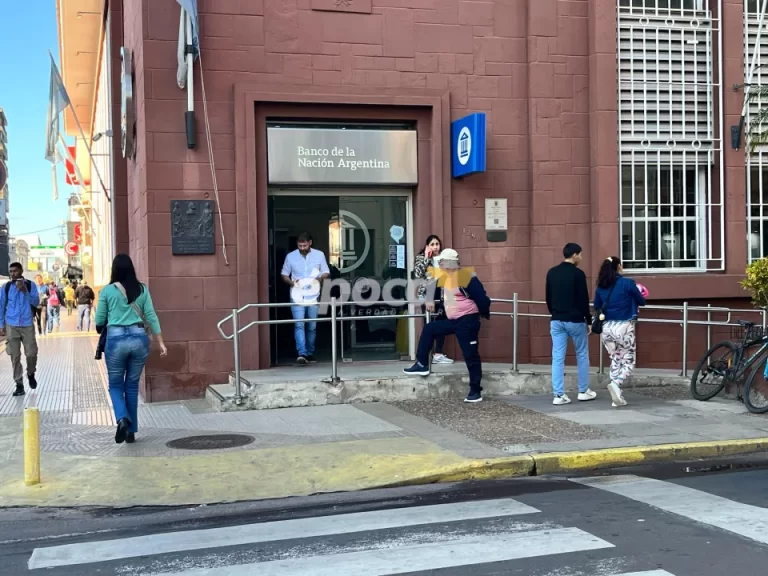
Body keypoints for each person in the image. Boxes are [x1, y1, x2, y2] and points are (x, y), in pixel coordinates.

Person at [95, 254, 167, 444]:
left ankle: (122, 419)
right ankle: (131, 432)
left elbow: (99, 320)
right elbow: (151, 315)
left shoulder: (107, 291)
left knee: (115, 385)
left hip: (116, 340)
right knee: (132, 385)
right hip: (139, 339)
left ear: (114, 270)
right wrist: (160, 342)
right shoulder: (142, 289)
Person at [403, 249, 491, 403]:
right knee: (430, 329)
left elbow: (483, 299)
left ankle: (475, 391)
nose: (440, 264)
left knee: (470, 355)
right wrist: (429, 299)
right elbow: (431, 286)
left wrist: (482, 314)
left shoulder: (466, 277)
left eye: (442, 262)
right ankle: (422, 363)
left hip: (467, 321)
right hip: (453, 321)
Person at [545, 242, 595, 405]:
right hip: (575, 320)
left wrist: (554, 312)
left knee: (557, 357)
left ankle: (558, 395)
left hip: (557, 319)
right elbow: (583, 299)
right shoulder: (578, 274)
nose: (581, 257)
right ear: (574, 255)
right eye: (580, 254)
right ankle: (583, 391)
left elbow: (548, 297)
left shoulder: (552, 272)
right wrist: (588, 320)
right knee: (581, 354)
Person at [593, 256, 647, 407]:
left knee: (615, 359)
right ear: (619, 267)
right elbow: (641, 301)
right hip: (624, 327)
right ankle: (616, 383)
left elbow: (596, 305)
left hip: (606, 328)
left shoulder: (601, 286)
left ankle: (616, 398)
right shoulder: (628, 283)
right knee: (628, 360)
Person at [280, 232, 330, 365]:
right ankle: (302, 353)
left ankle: (310, 353)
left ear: (310, 243)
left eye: (304, 245)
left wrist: (319, 278)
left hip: (313, 295)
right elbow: (284, 275)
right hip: (297, 295)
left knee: (312, 326)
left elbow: (326, 271)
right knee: (299, 324)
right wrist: (292, 283)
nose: (302, 248)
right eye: (300, 246)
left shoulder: (319, 255)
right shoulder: (291, 256)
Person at [0, 262, 40, 397]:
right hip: (11, 324)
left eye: (15, 271)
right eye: (11, 271)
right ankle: (19, 384)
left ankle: (31, 373)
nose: (13, 274)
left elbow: (36, 302)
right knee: (15, 356)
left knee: (31, 353)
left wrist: (24, 291)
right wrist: (1, 325)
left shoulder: (30, 285)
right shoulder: (6, 287)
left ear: (21, 271)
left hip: (27, 324)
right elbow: (1, 306)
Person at [413, 234, 453, 364]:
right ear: (427, 246)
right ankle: (424, 356)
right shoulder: (421, 258)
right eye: (432, 244)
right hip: (428, 294)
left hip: (442, 293)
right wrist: (426, 257)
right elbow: (418, 274)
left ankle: (438, 354)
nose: (435, 247)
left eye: (437, 244)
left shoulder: (444, 257)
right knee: (428, 324)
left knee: (442, 323)